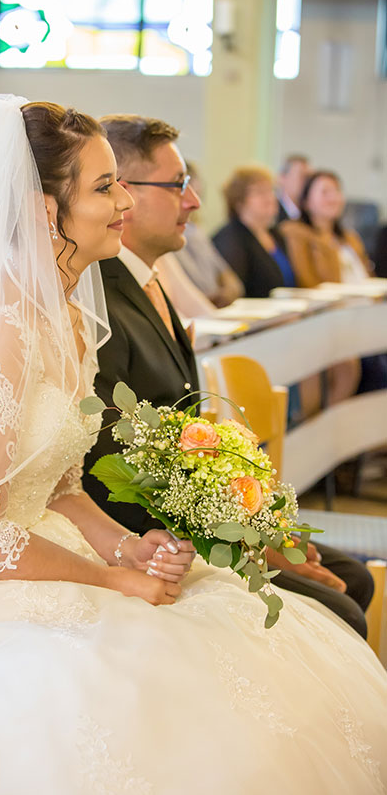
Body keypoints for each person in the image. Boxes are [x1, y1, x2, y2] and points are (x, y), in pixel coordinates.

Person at [0, 96, 385, 795]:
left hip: (40, 540)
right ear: (42, 208)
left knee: (246, 642)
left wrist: (131, 545)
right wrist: (110, 581)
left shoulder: (63, 310)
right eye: (104, 186)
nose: (124, 200)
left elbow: (61, 487)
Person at [83, 115, 373, 636]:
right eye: (177, 186)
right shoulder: (97, 298)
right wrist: (247, 541)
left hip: (188, 510)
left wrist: (266, 525)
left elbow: (187, 434)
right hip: (147, 531)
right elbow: (110, 467)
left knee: (350, 577)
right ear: (125, 192)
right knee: (344, 604)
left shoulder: (144, 278)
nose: (194, 201)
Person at [281, 171, 387, 394]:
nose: (334, 197)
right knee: (353, 367)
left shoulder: (348, 237)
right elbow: (307, 281)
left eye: (337, 191)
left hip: (364, 317)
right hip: (330, 320)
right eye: (324, 192)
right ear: (307, 200)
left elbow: (366, 276)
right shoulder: (296, 233)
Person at [161, 162, 243, 309]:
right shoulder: (165, 234)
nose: (196, 203)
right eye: (184, 188)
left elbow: (228, 275)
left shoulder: (197, 232)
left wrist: (228, 292)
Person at [212, 165, 294, 297]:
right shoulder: (230, 239)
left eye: (271, 190)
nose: (269, 198)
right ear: (239, 201)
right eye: (260, 192)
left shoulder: (276, 235)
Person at [276, 154, 312, 223]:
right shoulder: (272, 212)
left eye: (309, 178)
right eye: (302, 176)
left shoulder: (311, 215)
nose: (308, 182)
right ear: (282, 178)